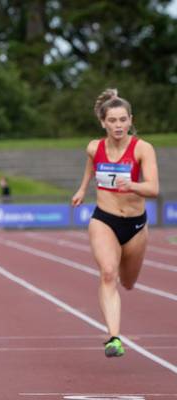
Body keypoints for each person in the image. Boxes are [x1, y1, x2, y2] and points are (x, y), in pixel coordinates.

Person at [71, 88, 159, 357]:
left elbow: (153, 188)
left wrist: (132, 184)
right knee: (108, 273)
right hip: (104, 219)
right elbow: (91, 166)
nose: (118, 125)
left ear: (131, 120)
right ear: (103, 122)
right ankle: (114, 338)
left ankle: (125, 274)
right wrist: (82, 189)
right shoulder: (94, 147)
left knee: (128, 282)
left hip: (134, 225)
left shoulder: (142, 148)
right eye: (112, 121)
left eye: (123, 120)